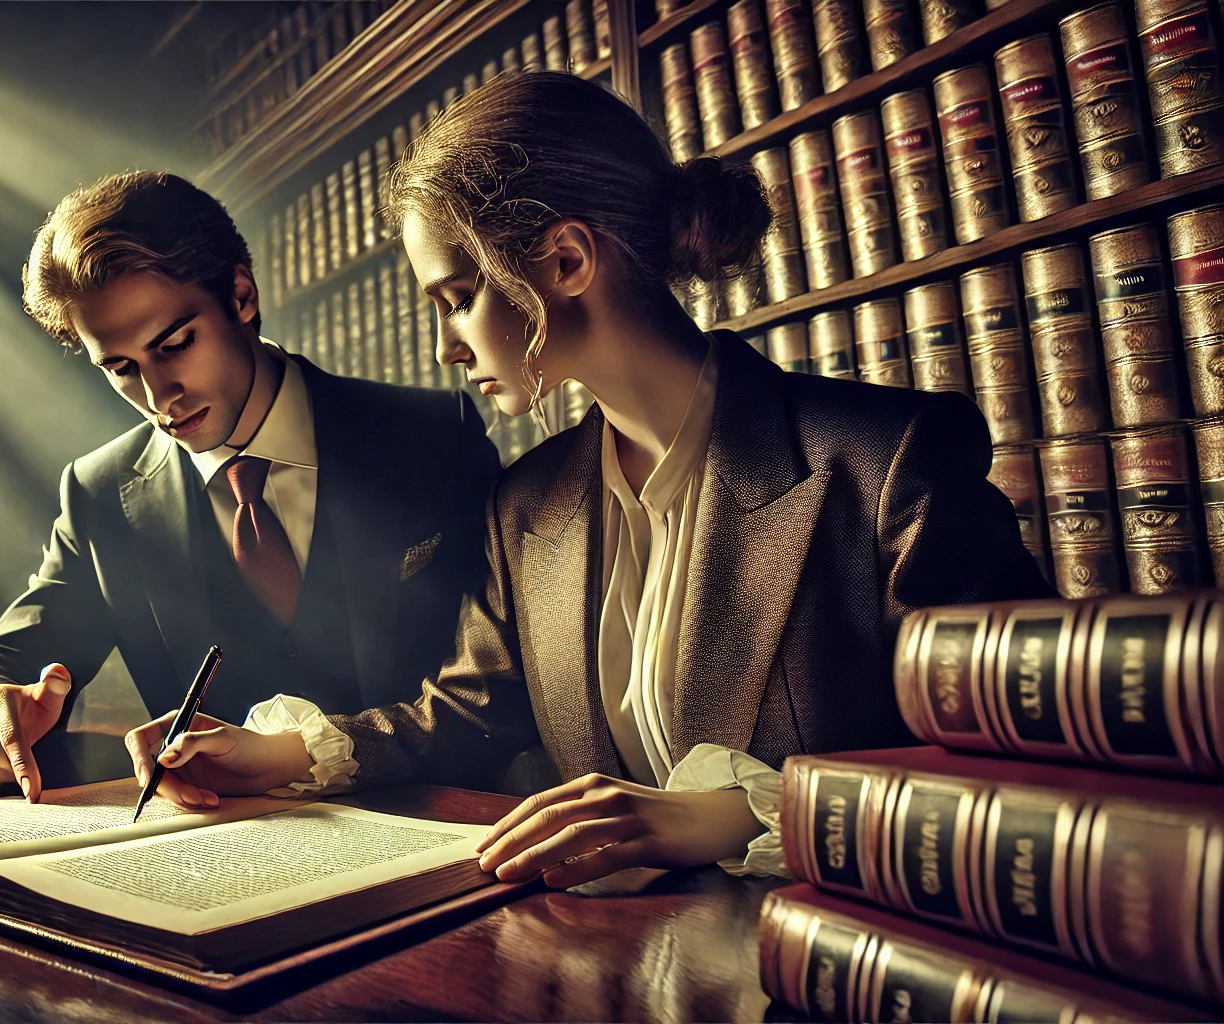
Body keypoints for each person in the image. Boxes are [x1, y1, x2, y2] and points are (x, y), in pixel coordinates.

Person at [124, 72, 1054, 886]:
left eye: (457, 298)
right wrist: (279, 753)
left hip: (849, 957)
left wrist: (736, 816)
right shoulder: (527, 504)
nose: (446, 347)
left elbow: (1024, 761)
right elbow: (467, 711)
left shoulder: (888, 461)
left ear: (565, 261)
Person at [0, 171, 502, 799]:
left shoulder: (435, 436)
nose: (156, 398)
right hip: (219, 860)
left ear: (242, 294)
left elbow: (498, 687)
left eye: (174, 345)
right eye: (119, 368)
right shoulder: (102, 494)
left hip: (448, 840)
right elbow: (4, 658)